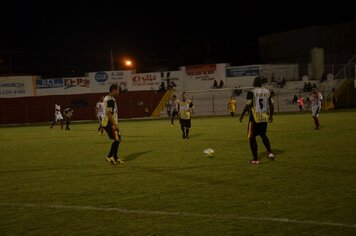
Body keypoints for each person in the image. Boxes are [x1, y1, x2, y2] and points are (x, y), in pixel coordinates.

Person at [239, 77, 274, 164]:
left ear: (254, 83)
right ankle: (270, 152)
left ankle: (255, 159)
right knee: (263, 135)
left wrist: (242, 114)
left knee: (251, 138)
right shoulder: (268, 91)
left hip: (254, 118)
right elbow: (272, 105)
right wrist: (271, 116)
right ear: (261, 83)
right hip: (264, 118)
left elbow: (248, 105)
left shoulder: (252, 92)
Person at [102, 84, 123, 165]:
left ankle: (115, 157)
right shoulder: (110, 99)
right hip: (109, 123)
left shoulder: (109, 98)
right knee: (118, 139)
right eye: (117, 90)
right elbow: (108, 113)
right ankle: (109, 156)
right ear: (114, 90)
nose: (118, 92)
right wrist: (115, 124)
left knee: (117, 139)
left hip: (108, 122)